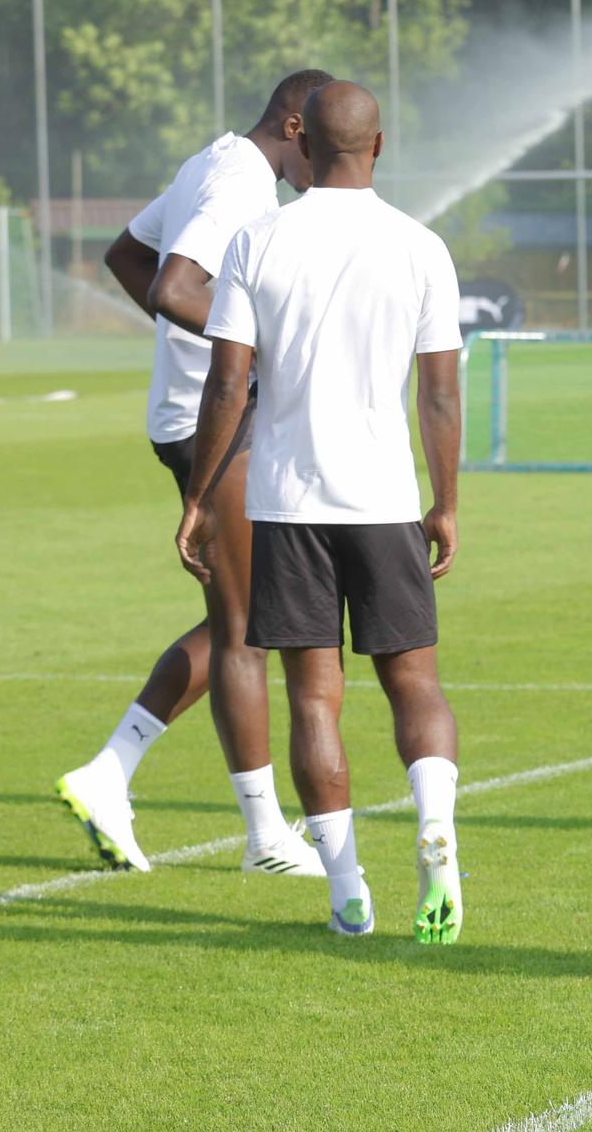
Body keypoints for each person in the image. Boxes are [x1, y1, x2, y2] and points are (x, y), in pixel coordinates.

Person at [179, 81, 467, 944]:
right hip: (383, 502)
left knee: (314, 698)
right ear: (379, 146)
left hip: (286, 504)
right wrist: (445, 501)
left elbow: (230, 381)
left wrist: (198, 495)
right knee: (415, 682)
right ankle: (437, 825)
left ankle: (346, 888)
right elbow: (441, 391)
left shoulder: (257, 240)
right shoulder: (421, 245)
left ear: (306, 150)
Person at [58, 68, 337, 877]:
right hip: (210, 426)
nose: (326, 169)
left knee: (242, 619)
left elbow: (124, 254)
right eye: (319, 148)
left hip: (201, 418)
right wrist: (249, 349)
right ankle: (259, 836)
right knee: (248, 625)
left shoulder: (214, 161)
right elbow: (178, 282)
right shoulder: (242, 185)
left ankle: (121, 776)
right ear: (294, 127)